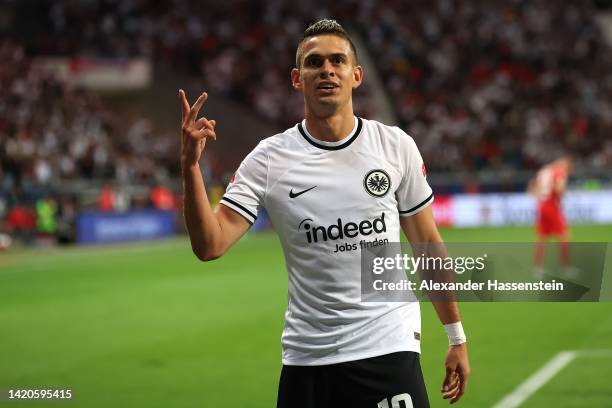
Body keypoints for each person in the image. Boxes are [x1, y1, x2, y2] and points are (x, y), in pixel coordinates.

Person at [180, 19, 470, 407]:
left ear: (356, 75)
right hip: (308, 357)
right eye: (315, 63)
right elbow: (210, 244)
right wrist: (190, 168)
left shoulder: (395, 146)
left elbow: (427, 243)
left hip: (387, 346)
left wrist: (455, 337)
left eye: (338, 60)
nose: (327, 70)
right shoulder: (269, 159)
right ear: (298, 79)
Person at [528, 156, 574, 277]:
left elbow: (532, 185)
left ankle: (538, 269)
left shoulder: (544, 170)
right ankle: (567, 268)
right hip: (552, 206)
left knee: (541, 237)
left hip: (541, 205)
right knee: (564, 235)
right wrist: (561, 199)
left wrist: (537, 197)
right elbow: (560, 187)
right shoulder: (560, 171)